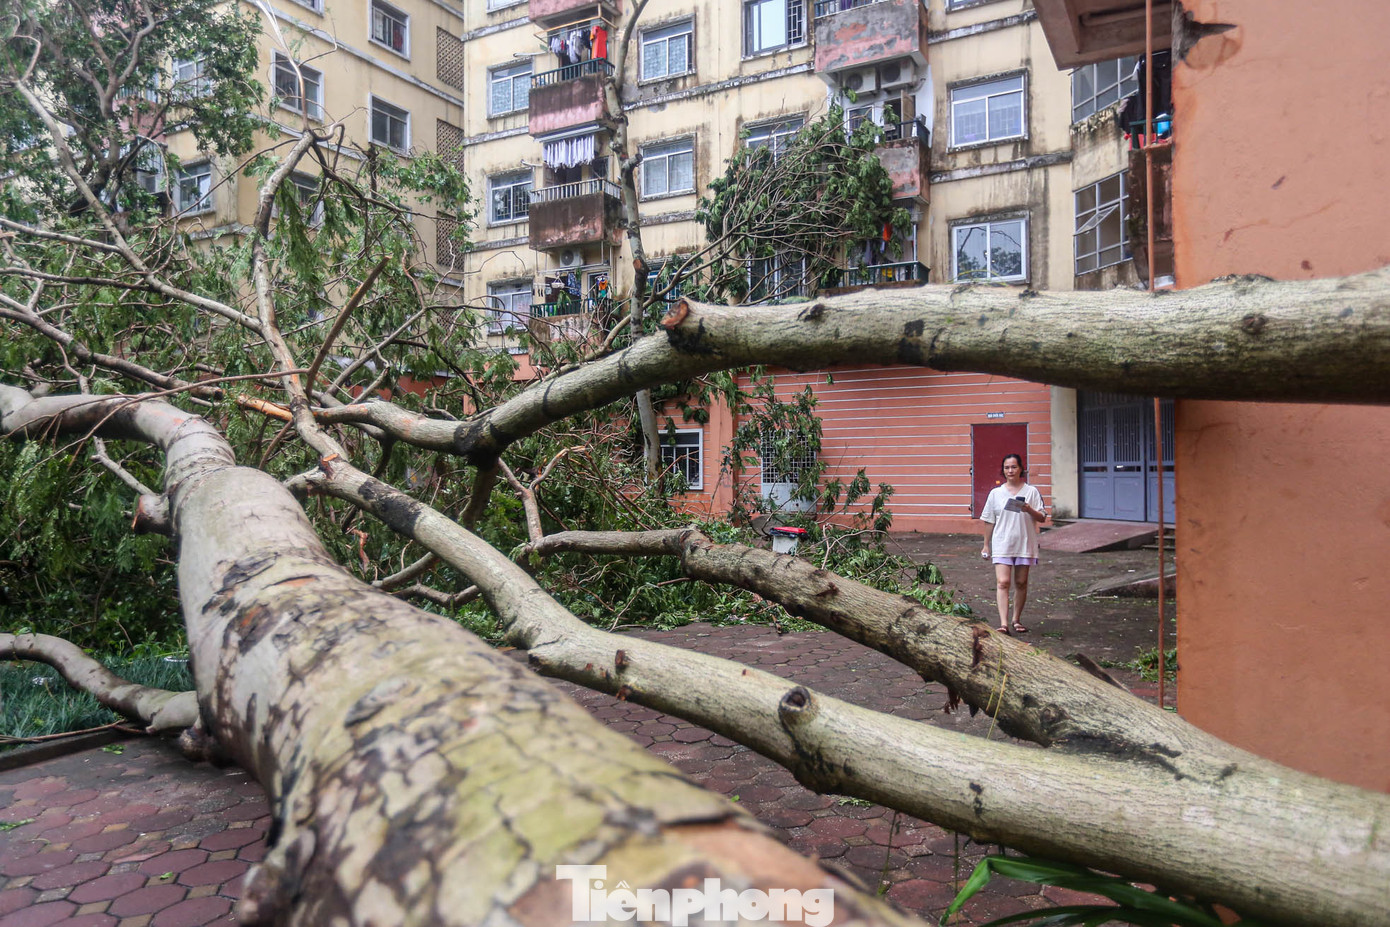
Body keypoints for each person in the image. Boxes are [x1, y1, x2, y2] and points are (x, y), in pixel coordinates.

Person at [979, 453, 1047, 634]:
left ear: (1021, 469)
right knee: (1003, 582)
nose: (1010, 470)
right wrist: (986, 545)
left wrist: (1028, 509)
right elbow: (989, 520)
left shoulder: (1031, 492)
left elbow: (1042, 517)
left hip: (1025, 543)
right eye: (1007, 467)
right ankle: (1003, 624)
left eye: (1014, 467)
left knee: (1021, 582)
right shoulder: (995, 493)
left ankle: (1016, 619)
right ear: (1003, 470)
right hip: (1002, 543)